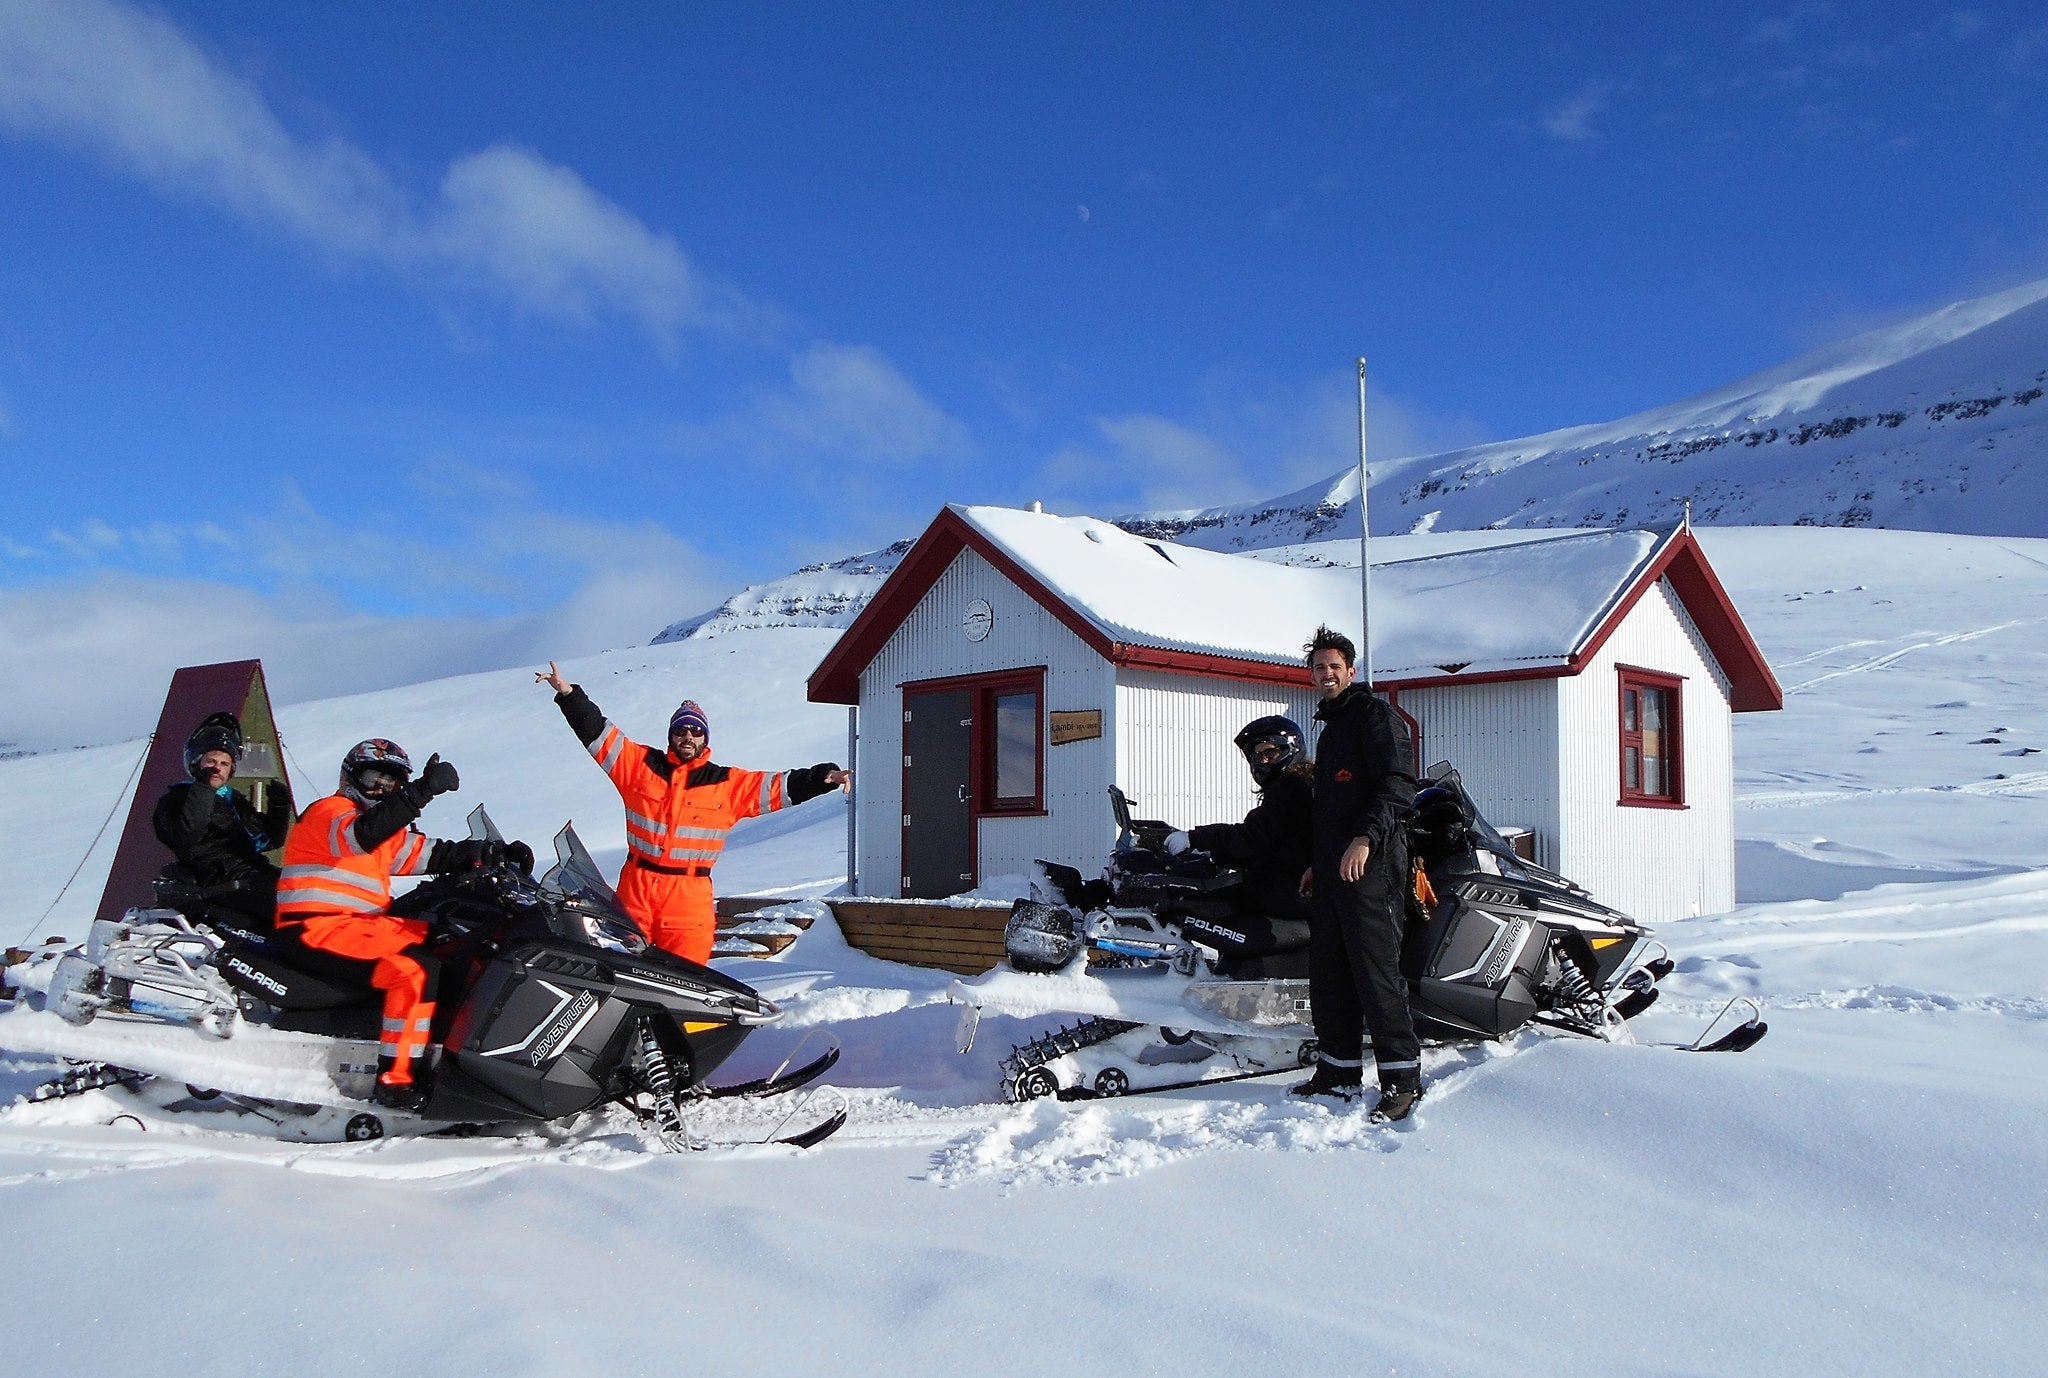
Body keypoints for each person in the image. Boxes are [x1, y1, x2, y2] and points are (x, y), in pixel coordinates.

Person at [536, 661, 850, 965]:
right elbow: (598, 734)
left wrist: (825, 776)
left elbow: (780, 786)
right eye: (682, 730)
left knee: (687, 981)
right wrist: (568, 694)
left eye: (696, 731)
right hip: (636, 889)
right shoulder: (640, 767)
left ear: (705, 739)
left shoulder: (727, 784)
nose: (689, 736)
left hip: (688, 899)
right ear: (671, 735)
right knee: (619, 971)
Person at [274, 738, 485, 1112]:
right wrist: (423, 791)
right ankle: (395, 1079)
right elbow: (364, 835)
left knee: (453, 942)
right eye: (375, 778)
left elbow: (427, 854)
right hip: (315, 927)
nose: (383, 789)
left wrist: (489, 853)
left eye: (393, 783)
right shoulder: (330, 812)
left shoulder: (378, 828)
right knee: (412, 971)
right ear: (351, 777)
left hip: (359, 927)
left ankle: (453, 1055)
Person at [1297, 625, 1424, 1122]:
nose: (1326, 674)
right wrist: (1317, 861)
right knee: (1330, 973)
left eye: (1334, 666)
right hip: (1333, 869)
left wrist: (1365, 839)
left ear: (1352, 671)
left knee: (1375, 974)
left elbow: (1397, 785)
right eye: (1318, 667)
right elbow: (1329, 808)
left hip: (1371, 865)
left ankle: (1402, 1080)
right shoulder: (1331, 728)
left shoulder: (1375, 718)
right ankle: (1338, 1073)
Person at [1160, 715, 1316, 977]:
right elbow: (1262, 844)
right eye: (1257, 756)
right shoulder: (1294, 786)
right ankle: (1222, 966)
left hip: (1290, 890)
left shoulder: (1292, 787)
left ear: (1290, 749)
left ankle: (1197, 969)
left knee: (1199, 897)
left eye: (1270, 752)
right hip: (1288, 885)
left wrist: (1197, 839)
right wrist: (1214, 853)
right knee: (1215, 885)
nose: (1263, 761)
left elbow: (1253, 838)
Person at [151, 712, 293, 926]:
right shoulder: (176, 798)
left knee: (314, 894)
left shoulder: (231, 799)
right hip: (222, 881)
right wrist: (203, 788)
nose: (218, 768)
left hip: (253, 875)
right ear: (197, 763)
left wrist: (280, 807)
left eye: (224, 763)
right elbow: (187, 833)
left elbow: (266, 840)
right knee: (295, 907)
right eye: (211, 761)